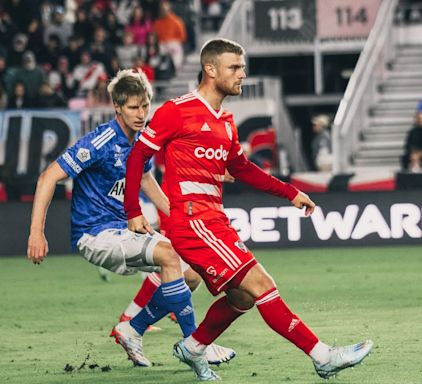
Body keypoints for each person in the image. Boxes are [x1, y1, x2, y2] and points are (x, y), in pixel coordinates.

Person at [123, 38, 373, 381]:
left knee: (242, 297)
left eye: (242, 67)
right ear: (210, 70)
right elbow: (137, 155)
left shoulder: (225, 121)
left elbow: (242, 169)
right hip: (191, 220)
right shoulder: (176, 110)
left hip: (213, 219)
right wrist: (133, 209)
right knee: (261, 283)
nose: (242, 73)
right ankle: (322, 355)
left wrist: (290, 192)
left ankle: (194, 347)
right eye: (235, 67)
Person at [26, 69, 234, 367]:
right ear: (118, 108)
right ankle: (196, 345)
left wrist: (179, 217)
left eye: (145, 106)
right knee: (169, 254)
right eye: (133, 108)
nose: (140, 114)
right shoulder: (99, 142)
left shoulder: (141, 143)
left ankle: (132, 329)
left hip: (123, 230)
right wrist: (37, 232)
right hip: (94, 233)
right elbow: (47, 178)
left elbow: (147, 182)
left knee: (193, 271)